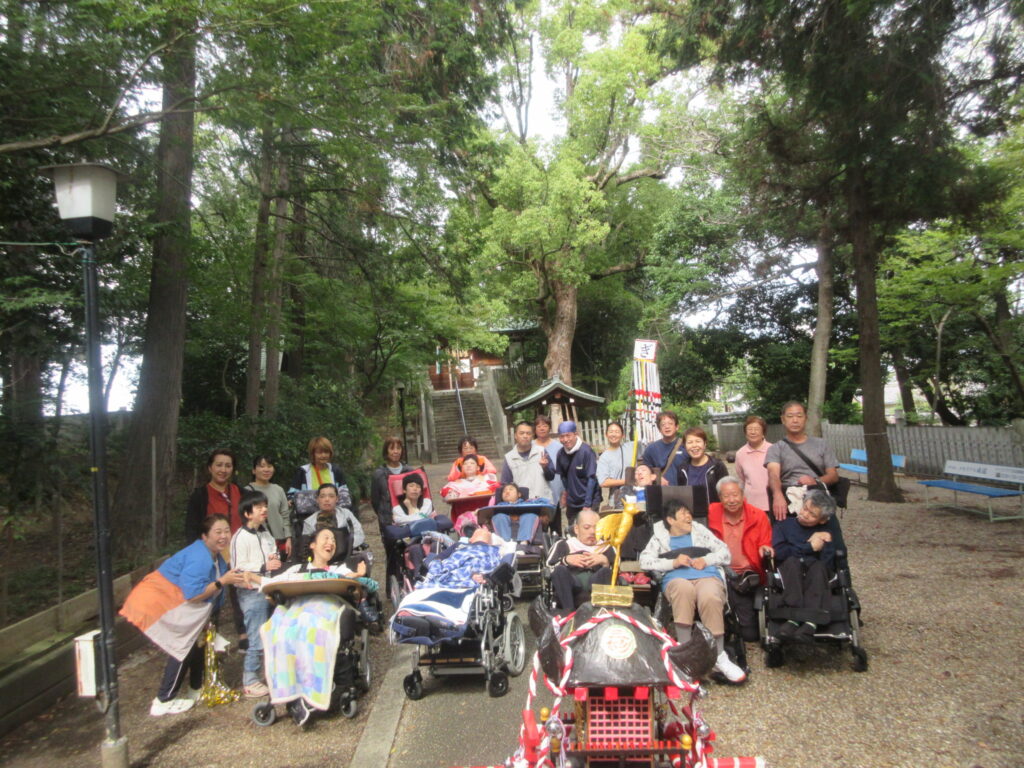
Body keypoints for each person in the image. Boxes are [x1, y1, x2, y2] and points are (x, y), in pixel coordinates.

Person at [120, 514, 246, 716]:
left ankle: (196, 688)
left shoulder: (216, 555)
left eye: (226, 531)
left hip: (177, 605)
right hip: (159, 603)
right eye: (218, 532)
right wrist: (223, 581)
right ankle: (164, 700)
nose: (223, 536)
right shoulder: (199, 558)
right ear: (204, 536)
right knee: (182, 646)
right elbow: (194, 594)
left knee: (199, 644)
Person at [262, 528, 377, 725]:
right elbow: (273, 584)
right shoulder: (296, 570)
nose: (330, 542)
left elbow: (371, 586)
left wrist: (358, 576)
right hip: (297, 609)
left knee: (313, 628)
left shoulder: (339, 570)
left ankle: (308, 695)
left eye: (333, 539)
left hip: (325, 609)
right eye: (325, 538)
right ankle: (294, 694)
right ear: (313, 545)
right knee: (281, 632)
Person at [638, 499, 746, 684]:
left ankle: (718, 655)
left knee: (710, 595)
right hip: (676, 578)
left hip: (706, 575)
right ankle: (685, 652)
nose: (689, 517)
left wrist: (707, 559)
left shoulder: (701, 531)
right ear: (670, 520)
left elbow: (725, 553)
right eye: (683, 514)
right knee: (683, 590)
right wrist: (673, 562)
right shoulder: (659, 537)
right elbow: (645, 561)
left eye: (689, 513)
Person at [771, 490, 845, 642]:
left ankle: (811, 622)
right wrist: (808, 547)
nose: (805, 514)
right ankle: (794, 618)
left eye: (812, 514)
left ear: (822, 520)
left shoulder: (825, 532)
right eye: (805, 508)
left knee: (818, 567)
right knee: (793, 562)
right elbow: (779, 553)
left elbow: (828, 563)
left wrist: (827, 542)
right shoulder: (783, 525)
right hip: (790, 569)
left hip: (816, 573)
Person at [706, 477, 773, 642]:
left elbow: (766, 542)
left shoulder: (758, 516)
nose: (731, 500)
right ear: (720, 498)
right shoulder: (711, 512)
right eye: (726, 496)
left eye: (735, 495)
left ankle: (733, 620)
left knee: (750, 635)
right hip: (719, 573)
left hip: (746, 577)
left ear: (743, 495)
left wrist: (766, 549)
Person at [230, 490, 282, 697]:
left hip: (269, 586)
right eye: (259, 507)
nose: (264, 510)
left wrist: (274, 557)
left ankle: (271, 672)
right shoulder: (239, 538)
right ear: (247, 513)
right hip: (251, 593)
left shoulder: (265, 532)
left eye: (265, 506)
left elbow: (273, 552)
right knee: (256, 635)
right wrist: (263, 564)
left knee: (273, 631)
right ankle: (250, 679)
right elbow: (237, 568)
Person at [765, 402, 840, 522]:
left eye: (799, 416)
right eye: (790, 416)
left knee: (827, 539)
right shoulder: (776, 448)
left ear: (806, 418)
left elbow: (833, 475)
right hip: (788, 501)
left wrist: (816, 481)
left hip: (818, 501)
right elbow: (773, 474)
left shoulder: (821, 444)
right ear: (783, 419)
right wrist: (777, 495)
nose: (795, 420)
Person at [545, 509, 614, 614]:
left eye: (596, 527)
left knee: (606, 572)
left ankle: (602, 612)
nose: (592, 531)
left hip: (596, 585)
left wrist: (605, 562)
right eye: (587, 527)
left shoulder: (607, 548)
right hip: (572, 584)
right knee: (559, 570)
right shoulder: (563, 545)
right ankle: (569, 613)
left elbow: (620, 575)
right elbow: (548, 569)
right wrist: (565, 560)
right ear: (576, 529)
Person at [185, 448, 243, 541]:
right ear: (210, 468)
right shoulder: (199, 496)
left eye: (228, 466)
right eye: (219, 465)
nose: (223, 470)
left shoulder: (241, 493)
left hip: (240, 550)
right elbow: (191, 529)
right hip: (211, 551)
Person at [420, 527, 504, 589]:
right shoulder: (459, 546)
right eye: (479, 534)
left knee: (476, 563)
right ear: (470, 539)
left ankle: (472, 576)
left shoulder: (493, 550)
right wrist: (436, 566)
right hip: (459, 567)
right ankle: (471, 576)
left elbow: (492, 563)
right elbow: (439, 558)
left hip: (476, 568)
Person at [675, 427, 729, 520]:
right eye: (690, 442)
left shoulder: (717, 466)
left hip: (716, 517)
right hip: (691, 519)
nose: (694, 445)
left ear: (705, 444)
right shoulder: (682, 468)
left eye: (698, 441)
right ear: (685, 446)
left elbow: (726, 493)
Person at [554, 421, 601, 528]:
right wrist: (566, 494)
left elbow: (592, 478)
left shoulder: (586, 452)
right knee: (573, 529)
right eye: (562, 437)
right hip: (573, 501)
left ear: (576, 434)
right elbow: (563, 477)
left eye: (568, 435)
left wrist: (587, 505)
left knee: (589, 529)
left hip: (589, 500)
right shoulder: (561, 453)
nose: (565, 440)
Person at [245, 455, 292, 559]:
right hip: (258, 539)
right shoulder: (246, 491)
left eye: (269, 466)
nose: (266, 469)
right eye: (262, 466)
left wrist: (288, 538)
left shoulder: (278, 489)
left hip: (280, 539)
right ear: (253, 470)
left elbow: (285, 515)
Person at [290, 436, 353, 509]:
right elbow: (292, 495)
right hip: (309, 516)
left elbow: (344, 494)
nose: (323, 455)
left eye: (326, 452)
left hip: (333, 514)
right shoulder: (303, 471)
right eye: (319, 453)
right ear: (313, 454)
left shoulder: (336, 471)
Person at [500, 420, 554, 501]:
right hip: (521, 504)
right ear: (515, 435)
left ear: (532, 436)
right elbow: (505, 484)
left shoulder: (541, 452)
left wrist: (545, 468)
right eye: (521, 433)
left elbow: (551, 476)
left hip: (543, 502)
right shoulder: (509, 457)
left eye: (528, 433)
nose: (525, 436)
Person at [388, 472, 453, 539]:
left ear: (421, 492)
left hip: (432, 537)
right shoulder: (397, 509)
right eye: (411, 486)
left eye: (418, 487)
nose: (415, 489)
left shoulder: (427, 502)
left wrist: (410, 508)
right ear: (404, 490)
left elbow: (421, 519)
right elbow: (420, 519)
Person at [302, 483, 366, 549]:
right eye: (322, 496)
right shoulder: (309, 522)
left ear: (337, 499)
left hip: (346, 551)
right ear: (317, 500)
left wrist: (344, 545)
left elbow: (359, 534)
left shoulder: (346, 514)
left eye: (331, 496)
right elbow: (306, 545)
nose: (327, 499)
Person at [370, 437, 413, 532]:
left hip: (409, 516)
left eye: (398, 448)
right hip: (388, 520)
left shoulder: (410, 471)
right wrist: (383, 514)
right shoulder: (379, 474)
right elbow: (375, 500)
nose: (396, 451)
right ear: (386, 451)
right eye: (392, 448)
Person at [734, 416, 772, 512]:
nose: (753, 432)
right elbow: (742, 478)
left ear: (763, 432)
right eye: (750, 429)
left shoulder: (773, 450)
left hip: (772, 502)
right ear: (745, 432)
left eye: (757, 429)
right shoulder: (740, 454)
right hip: (750, 504)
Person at [534, 414, 564, 529]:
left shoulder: (558, 447)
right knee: (540, 527)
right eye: (539, 426)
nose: (542, 428)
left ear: (549, 428)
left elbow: (563, 469)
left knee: (556, 526)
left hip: (555, 489)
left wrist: (563, 491)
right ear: (535, 429)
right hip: (538, 491)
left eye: (545, 425)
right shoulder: (530, 447)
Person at [641, 411, 687, 486]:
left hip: (684, 490)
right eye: (663, 424)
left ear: (677, 427)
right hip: (660, 491)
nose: (667, 427)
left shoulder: (685, 446)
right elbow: (644, 471)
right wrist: (656, 477)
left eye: (670, 423)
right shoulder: (651, 449)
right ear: (659, 429)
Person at [596, 421, 636, 506]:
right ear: (606, 435)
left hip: (635, 496)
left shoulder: (631, 447)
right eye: (611, 432)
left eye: (617, 432)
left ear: (623, 435)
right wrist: (627, 481)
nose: (614, 434)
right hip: (616, 499)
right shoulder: (604, 457)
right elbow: (603, 482)